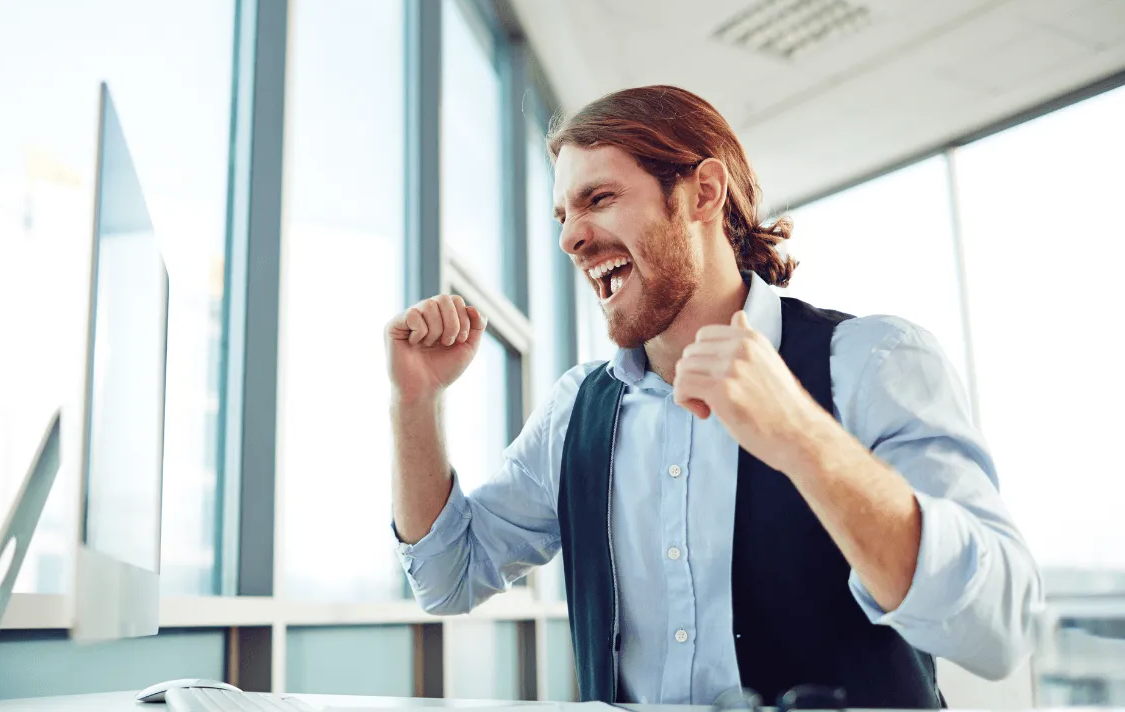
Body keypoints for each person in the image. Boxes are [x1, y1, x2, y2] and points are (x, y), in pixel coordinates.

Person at [384, 85, 1040, 708]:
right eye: (564, 214)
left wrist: (806, 440)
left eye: (600, 198)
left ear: (702, 192)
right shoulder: (575, 411)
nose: (570, 238)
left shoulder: (874, 362)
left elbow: (995, 629)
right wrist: (415, 404)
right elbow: (446, 579)